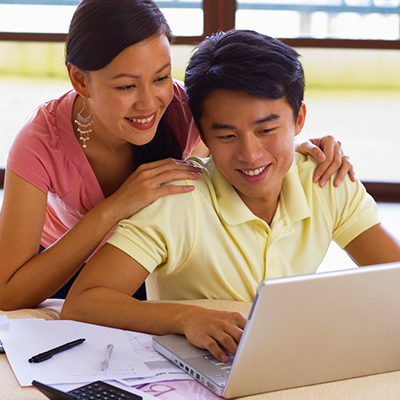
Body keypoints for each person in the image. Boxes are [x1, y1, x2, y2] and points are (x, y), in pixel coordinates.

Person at [61, 29, 400, 363]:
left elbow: (393, 276)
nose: (250, 155)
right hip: (201, 369)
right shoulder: (176, 200)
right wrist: (185, 318)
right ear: (203, 134)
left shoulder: (326, 178)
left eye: (266, 130)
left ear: (298, 120)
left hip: (289, 358)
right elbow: (83, 302)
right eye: (226, 136)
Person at [0, 0, 352, 311]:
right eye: (126, 86)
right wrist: (115, 207)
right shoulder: (39, 141)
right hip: (64, 269)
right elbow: (7, 294)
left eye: (161, 77)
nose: (149, 102)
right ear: (79, 80)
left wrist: (300, 147)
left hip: (150, 264)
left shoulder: (183, 109)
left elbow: (247, 134)